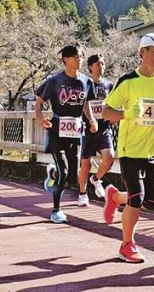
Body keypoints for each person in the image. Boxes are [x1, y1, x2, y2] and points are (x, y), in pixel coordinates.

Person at [101, 33, 154, 263]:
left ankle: (115, 197)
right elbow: (106, 112)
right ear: (141, 53)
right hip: (130, 150)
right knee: (137, 199)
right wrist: (126, 114)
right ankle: (127, 244)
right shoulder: (128, 81)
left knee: (152, 201)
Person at [35, 44, 96, 223]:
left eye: (82, 57)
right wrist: (40, 118)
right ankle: (56, 210)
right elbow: (39, 101)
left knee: (71, 176)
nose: (80, 60)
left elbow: (86, 104)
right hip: (57, 131)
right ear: (66, 59)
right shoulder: (55, 81)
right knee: (64, 171)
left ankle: (52, 173)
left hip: (76, 132)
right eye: (76, 56)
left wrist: (91, 120)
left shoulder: (86, 81)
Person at [77, 54, 114, 206]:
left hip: (104, 127)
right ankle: (82, 193)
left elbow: (113, 103)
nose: (101, 67)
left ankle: (96, 178)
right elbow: (82, 103)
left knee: (110, 157)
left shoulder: (109, 85)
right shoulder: (85, 83)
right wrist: (90, 120)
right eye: (98, 64)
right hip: (87, 129)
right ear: (91, 66)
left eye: (103, 64)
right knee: (86, 164)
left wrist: (114, 115)